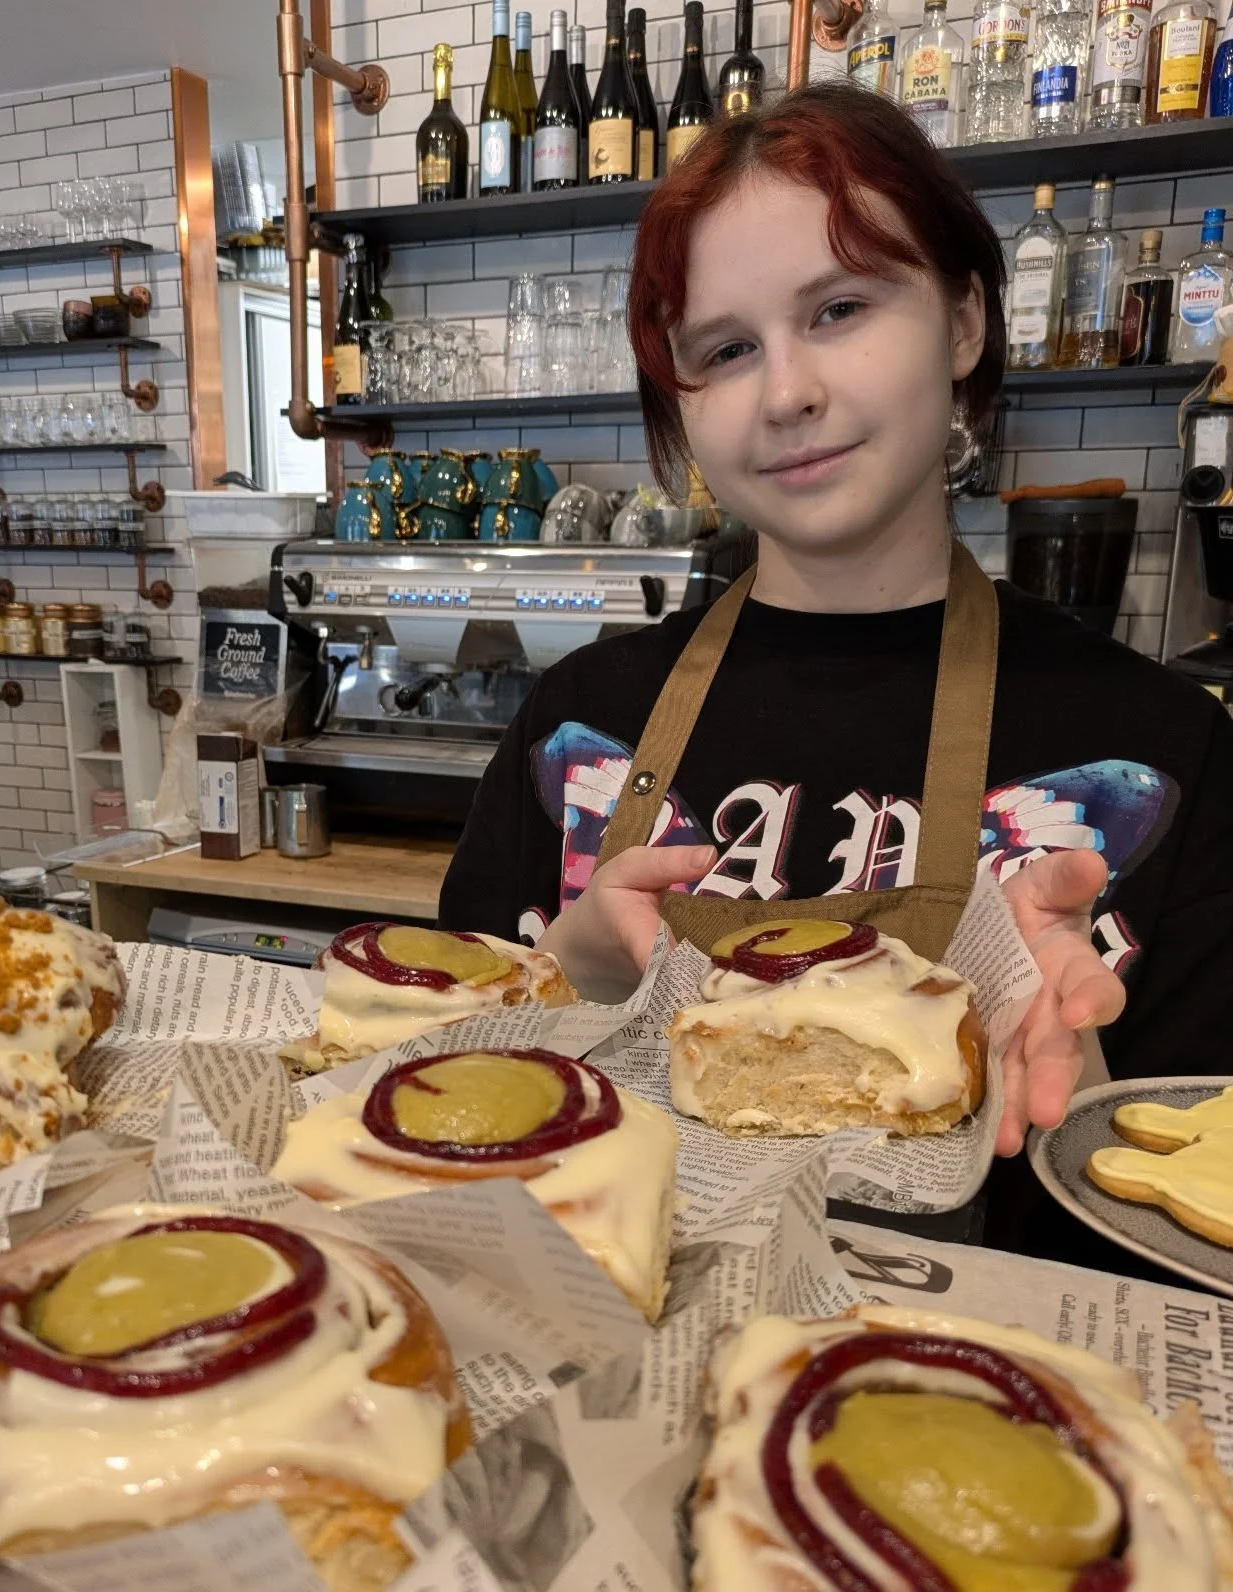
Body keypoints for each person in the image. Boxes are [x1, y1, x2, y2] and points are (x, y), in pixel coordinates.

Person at [440, 84, 1233, 1257]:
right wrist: (578, 968)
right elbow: (448, 1115)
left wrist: (1067, 1051)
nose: (787, 392)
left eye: (842, 307)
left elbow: (1190, 1194)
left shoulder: (1161, 745)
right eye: (726, 348)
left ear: (963, 323)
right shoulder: (582, 724)